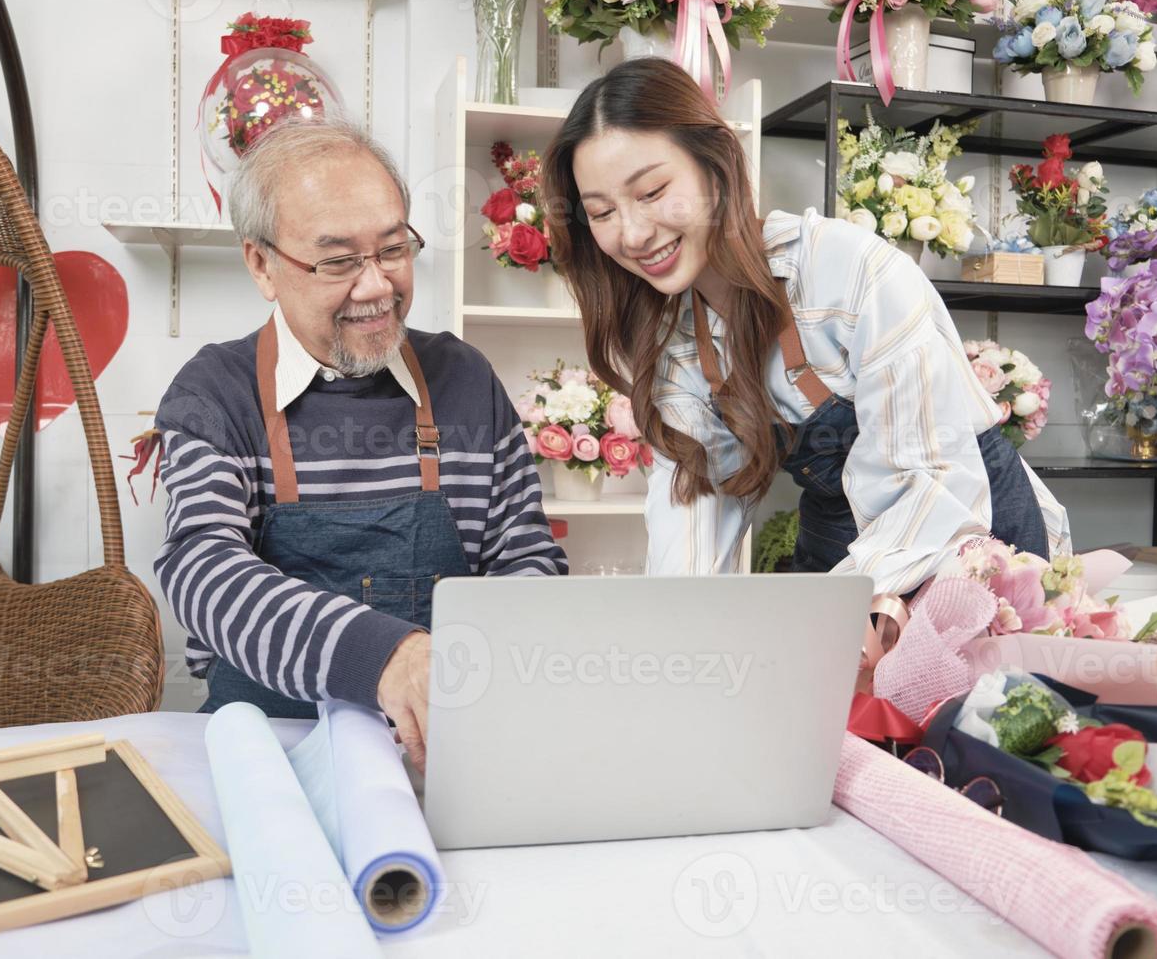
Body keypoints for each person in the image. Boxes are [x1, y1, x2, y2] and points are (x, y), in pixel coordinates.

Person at [541, 59, 1070, 593]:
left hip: (964, 521)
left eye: (652, 192)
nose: (631, 235)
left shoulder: (848, 271)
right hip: (837, 530)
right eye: (602, 212)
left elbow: (929, 479)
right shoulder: (673, 340)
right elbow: (696, 503)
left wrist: (864, 613)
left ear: (715, 164)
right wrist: (680, 627)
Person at [155, 116, 567, 770]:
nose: (377, 287)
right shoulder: (216, 392)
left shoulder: (465, 381)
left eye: (394, 250)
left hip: (446, 757)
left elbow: (527, 564)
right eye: (340, 260)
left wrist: (489, 686)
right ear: (262, 264)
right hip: (272, 757)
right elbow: (203, 569)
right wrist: (381, 656)